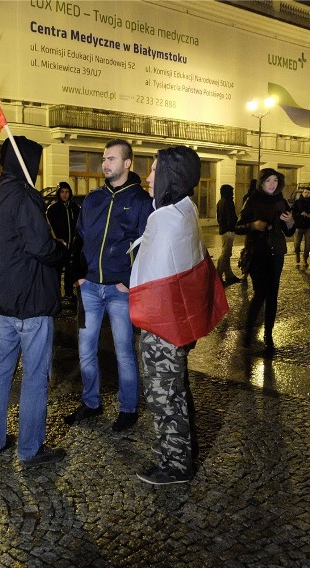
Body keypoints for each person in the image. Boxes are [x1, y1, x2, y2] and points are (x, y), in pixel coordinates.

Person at [129, 146, 228, 485]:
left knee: (164, 395)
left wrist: (133, 290)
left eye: (156, 170)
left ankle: (175, 466)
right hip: (174, 324)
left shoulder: (168, 218)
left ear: (171, 176)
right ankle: (183, 452)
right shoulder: (184, 209)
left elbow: (155, 274)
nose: (149, 177)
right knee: (176, 391)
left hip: (162, 328)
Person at [0, 136, 68, 468]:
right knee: (34, 376)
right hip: (30, 303)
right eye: (36, 162)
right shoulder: (23, 199)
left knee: (1, 371)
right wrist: (62, 250)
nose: (38, 169)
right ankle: (30, 449)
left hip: (4, 306)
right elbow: (41, 247)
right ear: (25, 163)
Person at [65, 139, 154, 432]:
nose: (105, 164)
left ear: (127, 163)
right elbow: (78, 239)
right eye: (104, 159)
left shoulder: (141, 201)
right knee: (86, 349)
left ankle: (128, 408)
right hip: (89, 287)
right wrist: (78, 274)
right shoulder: (92, 199)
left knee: (124, 351)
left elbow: (146, 247)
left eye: (111, 159)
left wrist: (128, 281)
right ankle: (91, 402)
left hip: (119, 291)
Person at [235, 168, 295, 355]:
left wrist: (290, 221)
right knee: (260, 293)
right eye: (268, 180)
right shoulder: (252, 200)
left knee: (272, 295)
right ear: (261, 182)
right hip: (257, 253)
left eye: (275, 181)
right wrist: (252, 225)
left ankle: (269, 334)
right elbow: (237, 227)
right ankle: (247, 333)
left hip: (276, 253)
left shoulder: (281, 201)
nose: (272, 184)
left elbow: (290, 232)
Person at [46, 181, 81, 300]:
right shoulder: (53, 209)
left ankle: (69, 293)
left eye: (67, 192)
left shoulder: (75, 208)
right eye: (62, 192)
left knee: (70, 271)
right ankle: (56, 295)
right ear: (58, 193)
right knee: (57, 271)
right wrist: (55, 240)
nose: (65, 195)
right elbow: (48, 228)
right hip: (58, 246)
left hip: (72, 245)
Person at [215, 184, 241, 285]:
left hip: (223, 229)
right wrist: (235, 227)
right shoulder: (229, 202)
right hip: (229, 231)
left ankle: (229, 275)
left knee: (226, 253)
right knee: (226, 254)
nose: (233, 194)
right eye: (231, 191)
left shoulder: (220, 202)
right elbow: (231, 217)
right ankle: (218, 276)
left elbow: (218, 217)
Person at [291, 186, 310, 267]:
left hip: (309, 226)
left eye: (309, 193)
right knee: (297, 244)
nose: (307, 194)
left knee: (307, 245)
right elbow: (293, 214)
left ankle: (305, 259)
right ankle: (297, 254)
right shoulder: (297, 202)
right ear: (302, 193)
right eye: (305, 192)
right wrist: (300, 214)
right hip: (299, 226)